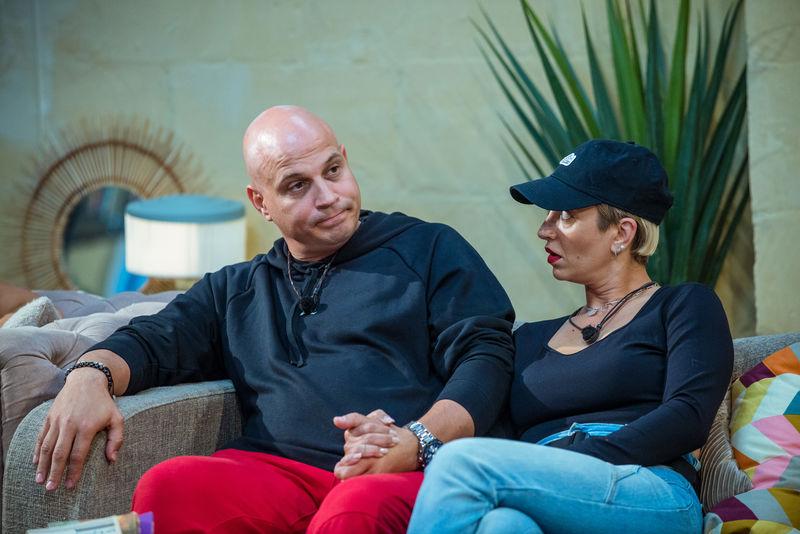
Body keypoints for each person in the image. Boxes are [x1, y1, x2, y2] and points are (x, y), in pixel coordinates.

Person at [33, 106, 515, 533]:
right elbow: (153, 340)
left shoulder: (428, 248)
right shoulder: (236, 289)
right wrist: (88, 376)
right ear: (261, 202)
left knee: (351, 512)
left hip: (399, 467)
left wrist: (415, 441)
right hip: (276, 472)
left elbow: (487, 356)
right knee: (171, 486)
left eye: (333, 170)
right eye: (297, 185)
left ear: (346, 160)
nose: (327, 196)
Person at [405, 140, 733, 534]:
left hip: (651, 487)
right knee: (502, 524)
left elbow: (688, 416)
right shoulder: (528, 339)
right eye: (548, 215)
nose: (544, 229)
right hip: (548, 488)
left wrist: (574, 459)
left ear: (622, 233)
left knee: (460, 462)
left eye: (566, 215)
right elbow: (493, 426)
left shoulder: (682, 305)